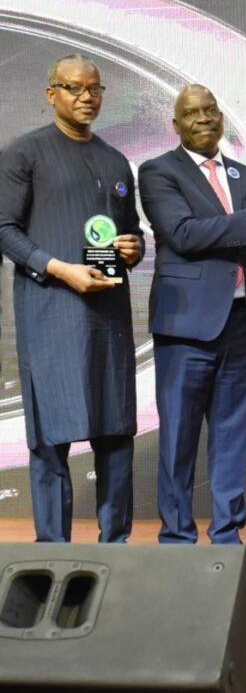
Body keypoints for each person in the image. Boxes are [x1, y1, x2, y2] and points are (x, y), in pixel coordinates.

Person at [139, 84, 246, 573]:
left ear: (221, 117)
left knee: (232, 436)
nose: (204, 119)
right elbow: (183, 235)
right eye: (192, 113)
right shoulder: (158, 172)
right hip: (185, 327)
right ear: (176, 124)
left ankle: (228, 540)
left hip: (240, 323)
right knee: (179, 437)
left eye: (210, 110)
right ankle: (176, 543)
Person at [0, 54, 143, 542]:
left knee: (116, 430)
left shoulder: (116, 160)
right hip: (52, 312)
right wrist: (59, 269)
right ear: (51, 94)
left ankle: (115, 548)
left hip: (108, 316)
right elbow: (4, 229)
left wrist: (133, 248)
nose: (87, 97)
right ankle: (53, 551)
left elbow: (130, 232)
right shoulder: (24, 153)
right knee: (51, 437)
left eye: (95, 88)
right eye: (74, 87)